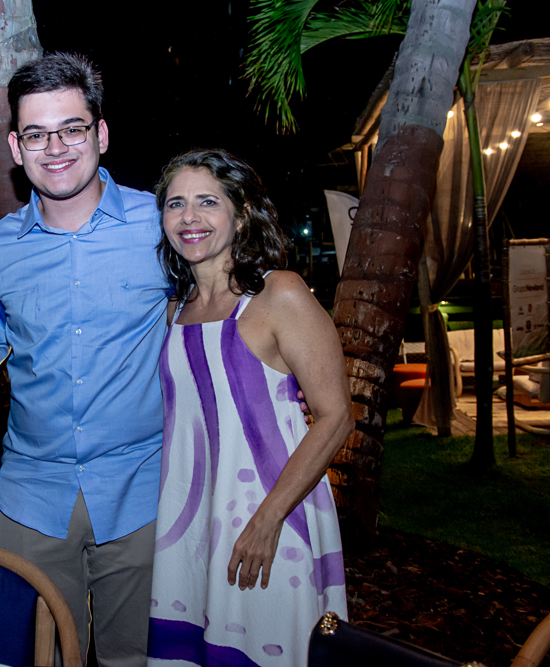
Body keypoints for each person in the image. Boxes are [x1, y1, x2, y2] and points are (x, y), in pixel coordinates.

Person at [0, 53, 169, 667]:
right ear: (16, 147)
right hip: (31, 499)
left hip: (143, 492)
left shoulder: (160, 225)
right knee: (43, 658)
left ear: (101, 134)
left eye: (72, 128)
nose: (56, 147)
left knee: (134, 658)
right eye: (37, 134)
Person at [146, 149, 352, 667]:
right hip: (192, 522)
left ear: (241, 216)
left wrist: (268, 518)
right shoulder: (175, 309)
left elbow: (336, 417)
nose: (189, 217)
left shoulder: (279, 294)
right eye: (175, 204)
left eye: (207, 202)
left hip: (270, 517)